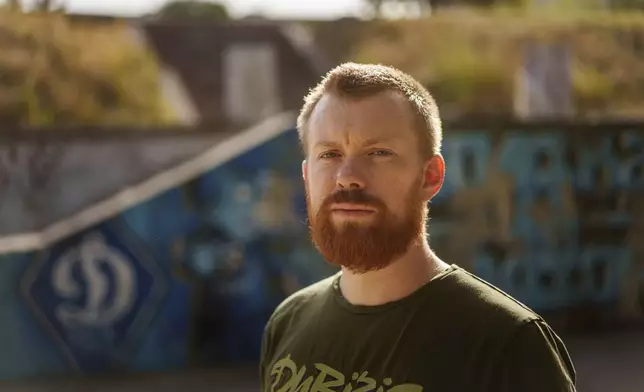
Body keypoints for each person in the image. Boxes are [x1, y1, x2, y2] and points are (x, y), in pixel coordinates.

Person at [259, 63, 576, 392]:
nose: (347, 175)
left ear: (431, 177)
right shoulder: (288, 324)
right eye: (330, 154)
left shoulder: (508, 344)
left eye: (379, 152)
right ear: (307, 176)